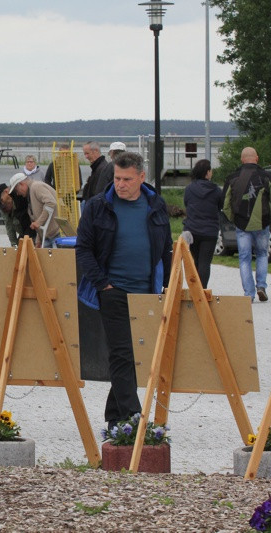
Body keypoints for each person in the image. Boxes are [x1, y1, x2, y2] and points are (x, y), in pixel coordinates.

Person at [76, 152, 172, 429]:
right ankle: (133, 416)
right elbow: (84, 249)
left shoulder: (155, 204)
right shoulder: (98, 206)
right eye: (117, 178)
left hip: (146, 291)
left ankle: (114, 415)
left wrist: (166, 283)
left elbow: (165, 245)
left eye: (127, 179)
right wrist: (102, 284)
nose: (120, 184)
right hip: (113, 290)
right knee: (121, 353)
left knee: (135, 353)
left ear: (142, 177)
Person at [223, 146, 271, 301]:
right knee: (262, 254)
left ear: (242, 159)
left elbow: (225, 204)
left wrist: (233, 219)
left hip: (241, 224)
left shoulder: (232, 178)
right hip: (262, 223)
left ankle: (248, 294)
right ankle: (261, 286)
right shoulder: (266, 177)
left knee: (244, 258)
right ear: (256, 158)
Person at [183, 159, 222, 288]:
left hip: (192, 230)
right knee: (205, 262)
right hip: (210, 231)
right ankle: (202, 290)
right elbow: (220, 206)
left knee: (196, 260)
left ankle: (195, 290)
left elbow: (186, 203)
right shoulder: (216, 190)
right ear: (207, 172)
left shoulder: (189, 189)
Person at [9, 173, 60, 247]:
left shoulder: (36, 186)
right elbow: (37, 216)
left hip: (56, 235)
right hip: (46, 237)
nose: (17, 194)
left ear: (22, 184)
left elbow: (51, 203)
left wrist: (38, 222)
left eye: (16, 190)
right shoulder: (30, 193)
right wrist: (38, 240)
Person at [80, 141, 107, 206]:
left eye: (87, 153)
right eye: (85, 154)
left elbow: (98, 192)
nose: (86, 157)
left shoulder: (102, 169)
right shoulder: (97, 167)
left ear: (96, 151)